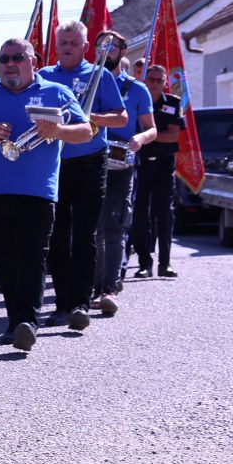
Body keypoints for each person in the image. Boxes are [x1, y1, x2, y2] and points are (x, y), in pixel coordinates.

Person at [0, 38, 94, 351]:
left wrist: (59, 131)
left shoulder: (56, 92)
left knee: (32, 255)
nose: (10, 64)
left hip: (39, 191)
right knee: (6, 258)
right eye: (4, 59)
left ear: (33, 61)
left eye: (17, 58)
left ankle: (26, 322)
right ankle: (16, 320)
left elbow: (86, 131)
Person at [37, 20, 127, 331]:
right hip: (54, 163)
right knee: (58, 235)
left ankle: (80, 303)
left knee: (85, 235)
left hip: (90, 161)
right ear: (56, 44)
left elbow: (121, 117)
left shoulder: (99, 75)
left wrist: (88, 117)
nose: (68, 47)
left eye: (74, 43)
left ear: (86, 46)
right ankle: (62, 304)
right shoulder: (44, 76)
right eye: (63, 42)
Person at [93, 30, 155, 316]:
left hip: (120, 163)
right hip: (88, 161)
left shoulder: (136, 89)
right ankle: (91, 285)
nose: (104, 51)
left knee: (114, 225)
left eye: (110, 47)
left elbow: (151, 128)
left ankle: (109, 287)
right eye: (100, 46)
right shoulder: (87, 83)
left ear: (123, 51)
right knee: (90, 226)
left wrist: (140, 139)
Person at [131, 62, 186, 279]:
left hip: (164, 165)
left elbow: (173, 135)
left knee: (165, 213)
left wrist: (146, 135)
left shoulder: (172, 103)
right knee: (140, 214)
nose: (154, 84)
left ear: (165, 83)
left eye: (159, 80)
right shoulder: (137, 100)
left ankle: (165, 263)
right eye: (151, 79)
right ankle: (144, 263)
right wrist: (152, 135)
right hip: (141, 163)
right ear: (144, 80)